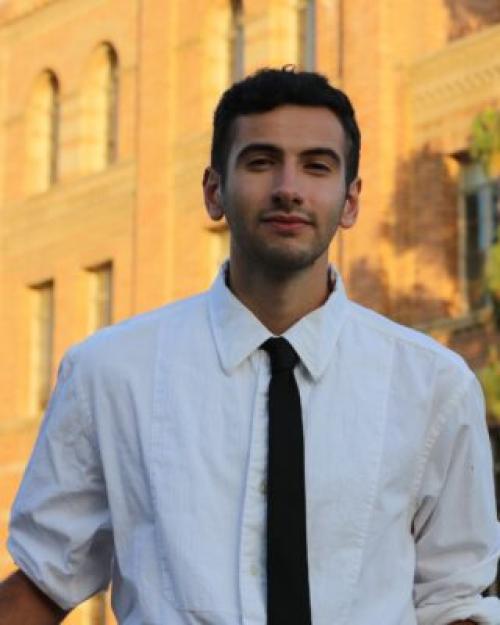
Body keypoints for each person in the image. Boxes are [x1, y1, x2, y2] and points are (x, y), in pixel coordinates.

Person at [0, 67, 499, 625]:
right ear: (214, 191)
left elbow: (454, 602)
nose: (289, 186)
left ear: (351, 201)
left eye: (317, 165)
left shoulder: (433, 386)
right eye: (261, 162)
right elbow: (42, 586)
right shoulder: (110, 375)